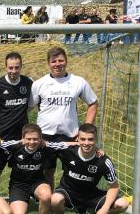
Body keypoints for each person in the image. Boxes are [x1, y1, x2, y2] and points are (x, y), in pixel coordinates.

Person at [29, 46, 99, 189]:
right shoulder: (39, 84)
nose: (57, 64)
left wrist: (85, 130)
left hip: (70, 135)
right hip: (46, 136)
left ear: (66, 61)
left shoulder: (78, 81)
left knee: (74, 170)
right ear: (48, 63)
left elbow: (93, 103)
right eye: (54, 61)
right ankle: (49, 198)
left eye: (61, 60)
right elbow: (28, 107)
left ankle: (69, 197)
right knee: (47, 171)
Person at [0, 123, 78, 214]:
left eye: (35, 139)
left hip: (37, 182)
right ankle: (12, 205)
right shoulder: (15, 146)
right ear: (23, 138)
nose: (32, 142)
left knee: (46, 195)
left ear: (41, 138)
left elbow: (64, 144)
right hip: (18, 185)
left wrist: (85, 145)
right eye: (28, 139)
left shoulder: (45, 146)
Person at [51, 123, 129, 214]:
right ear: (77, 139)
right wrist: (73, 143)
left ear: (96, 139)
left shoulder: (103, 161)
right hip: (68, 192)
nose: (86, 143)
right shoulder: (68, 151)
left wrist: (105, 209)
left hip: (90, 195)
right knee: (55, 199)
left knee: (123, 204)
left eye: (90, 139)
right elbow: (47, 144)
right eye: (83, 139)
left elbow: (114, 186)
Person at [0, 52, 34, 141]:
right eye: (10, 68)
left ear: (21, 67)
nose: (14, 71)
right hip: (1, 133)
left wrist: (22, 113)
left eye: (17, 67)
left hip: (22, 134)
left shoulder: (29, 82)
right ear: (6, 67)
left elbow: (36, 101)